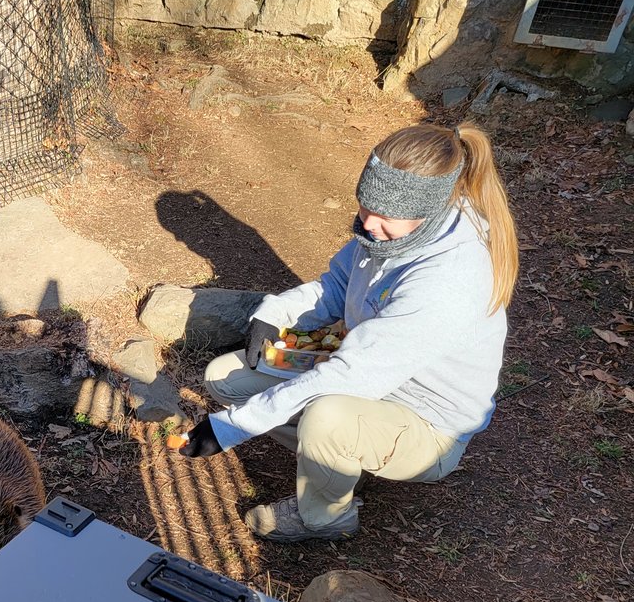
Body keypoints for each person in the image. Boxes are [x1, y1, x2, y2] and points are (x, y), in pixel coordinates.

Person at [177, 121, 518, 543]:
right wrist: (276, 314)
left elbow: (352, 374)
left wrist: (231, 428)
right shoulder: (391, 235)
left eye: (385, 216)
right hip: (376, 381)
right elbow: (338, 286)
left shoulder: (447, 279)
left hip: (428, 423)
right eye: (364, 207)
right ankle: (341, 458)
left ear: (426, 210)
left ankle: (325, 516)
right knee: (225, 378)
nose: (368, 224)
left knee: (328, 417)